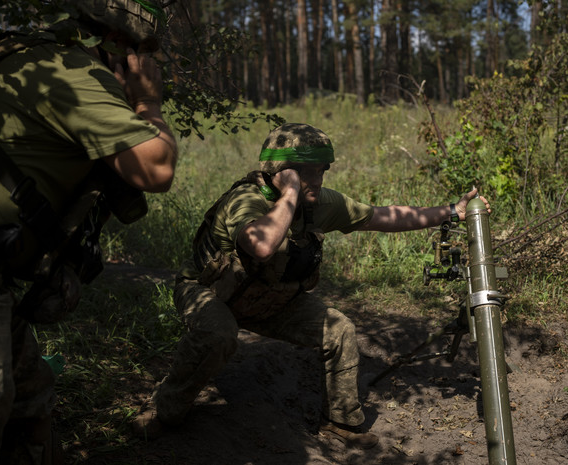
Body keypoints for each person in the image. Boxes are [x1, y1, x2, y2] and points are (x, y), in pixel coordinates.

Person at [0, 1, 177, 464]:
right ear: (115, 42)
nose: (146, 65)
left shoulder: (28, 55)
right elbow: (155, 168)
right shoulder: (78, 71)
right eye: (140, 53)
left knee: (30, 398)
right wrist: (148, 102)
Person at [132, 123, 488, 449]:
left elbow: (383, 216)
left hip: (267, 300)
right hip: (208, 291)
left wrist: (450, 211)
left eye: (321, 170)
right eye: (306, 171)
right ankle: (164, 409)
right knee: (218, 333)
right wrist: (289, 194)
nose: (316, 179)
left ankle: (340, 422)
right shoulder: (246, 200)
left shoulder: (318, 204)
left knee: (339, 331)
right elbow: (261, 246)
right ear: (280, 171)